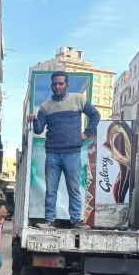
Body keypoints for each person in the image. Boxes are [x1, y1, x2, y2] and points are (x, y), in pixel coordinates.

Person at [27, 71, 100, 230]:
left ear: (67, 84)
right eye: (54, 84)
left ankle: (76, 221)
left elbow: (95, 115)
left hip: (72, 153)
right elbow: (38, 130)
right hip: (52, 153)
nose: (57, 86)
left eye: (61, 83)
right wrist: (34, 119)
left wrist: (86, 134)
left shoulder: (78, 99)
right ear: (51, 86)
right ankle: (49, 221)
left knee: (73, 188)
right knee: (51, 189)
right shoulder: (45, 106)